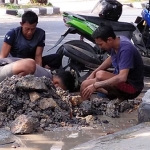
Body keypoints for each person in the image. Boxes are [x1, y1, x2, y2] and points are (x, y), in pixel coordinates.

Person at [80, 23, 144, 102]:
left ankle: (118, 97)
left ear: (109, 40)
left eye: (101, 44)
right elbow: (111, 58)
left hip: (132, 89)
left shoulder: (126, 49)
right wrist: (93, 72)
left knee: (100, 75)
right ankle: (84, 110)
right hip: (119, 84)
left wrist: (96, 85)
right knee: (84, 84)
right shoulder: (116, 41)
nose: (100, 47)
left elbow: (122, 77)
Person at [0, 58, 75, 92]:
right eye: (59, 90)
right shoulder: (45, 77)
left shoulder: (46, 73)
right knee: (30, 64)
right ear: (56, 84)